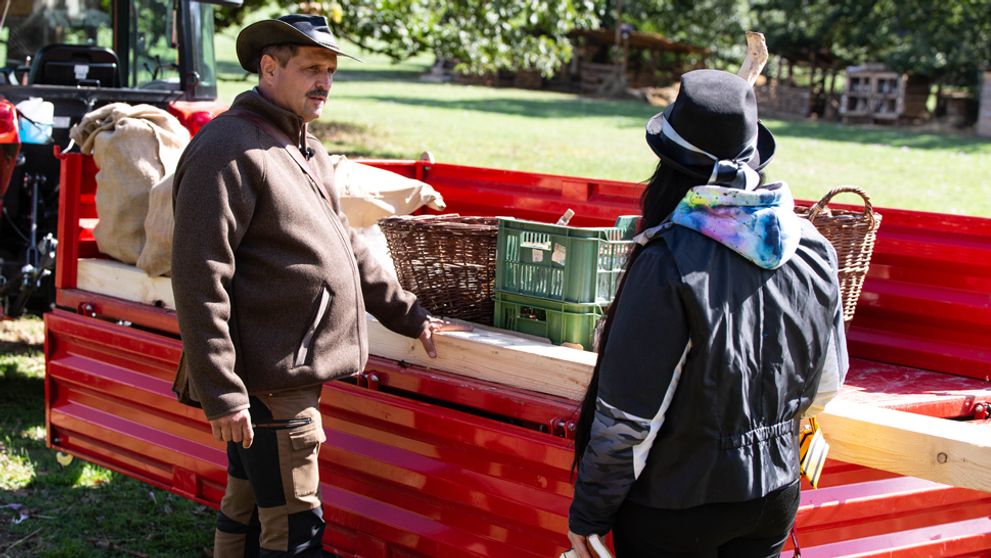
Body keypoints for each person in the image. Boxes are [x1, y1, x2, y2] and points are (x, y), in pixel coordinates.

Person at [170, 14, 454, 558]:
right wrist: (223, 393)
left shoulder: (306, 149)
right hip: (269, 379)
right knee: (295, 531)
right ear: (269, 68)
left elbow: (347, 248)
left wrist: (410, 315)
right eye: (311, 69)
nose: (324, 81)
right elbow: (199, 279)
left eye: (330, 70)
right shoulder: (228, 150)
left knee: (250, 505)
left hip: (283, 374)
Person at [566, 69, 848, 558]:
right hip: (774, 498)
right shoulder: (815, 247)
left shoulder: (668, 260)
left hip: (676, 508)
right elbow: (826, 385)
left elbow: (628, 422)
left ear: (668, 165)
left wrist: (588, 517)